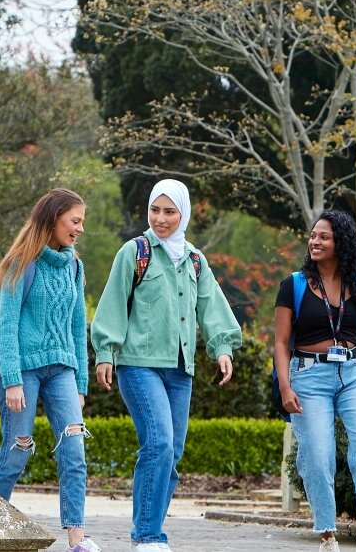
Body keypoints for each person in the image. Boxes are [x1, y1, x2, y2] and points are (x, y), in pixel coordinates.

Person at [90, 179, 242, 552]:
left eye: (169, 212)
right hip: (139, 365)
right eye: (155, 210)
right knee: (158, 443)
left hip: (180, 370)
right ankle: (147, 536)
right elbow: (111, 303)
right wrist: (106, 351)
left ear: (183, 213)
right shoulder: (135, 252)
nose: (160, 219)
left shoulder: (194, 259)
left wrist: (223, 348)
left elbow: (211, 307)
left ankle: (151, 532)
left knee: (171, 453)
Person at [273, 210, 356, 552]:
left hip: (355, 374)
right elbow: (281, 342)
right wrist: (285, 386)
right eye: (313, 236)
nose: (315, 241)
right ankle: (327, 536)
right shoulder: (294, 285)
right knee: (318, 454)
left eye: (323, 237)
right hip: (308, 375)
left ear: (339, 242)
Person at [0, 188, 99, 552]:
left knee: (74, 450)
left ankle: (76, 539)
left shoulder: (75, 266)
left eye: (81, 222)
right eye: (75, 221)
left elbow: (77, 327)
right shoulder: (21, 262)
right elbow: (6, 326)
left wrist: (80, 383)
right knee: (17, 451)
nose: (80, 229)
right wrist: (13, 380)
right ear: (54, 220)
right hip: (24, 373)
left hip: (62, 372)